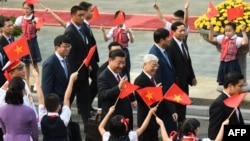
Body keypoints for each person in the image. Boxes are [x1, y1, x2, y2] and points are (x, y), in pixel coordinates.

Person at [64, 5, 91, 128]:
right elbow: (70, 56)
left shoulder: (83, 28)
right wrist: (74, 73)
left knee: (85, 100)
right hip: (75, 73)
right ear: (72, 15)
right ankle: (66, 122)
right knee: (69, 99)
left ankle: (87, 126)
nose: (82, 18)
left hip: (84, 71)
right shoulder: (70, 32)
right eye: (79, 15)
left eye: (83, 15)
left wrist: (87, 65)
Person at [33, 68, 78, 141]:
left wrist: (36, 78)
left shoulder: (42, 119)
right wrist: (71, 80)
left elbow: (40, 98)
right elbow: (66, 98)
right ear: (59, 106)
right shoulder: (63, 119)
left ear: (45, 106)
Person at [97, 49, 136, 130]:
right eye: (119, 63)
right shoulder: (103, 77)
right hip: (114, 119)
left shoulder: (120, 72)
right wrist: (118, 88)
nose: (121, 66)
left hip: (125, 115)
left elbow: (126, 86)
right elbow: (103, 95)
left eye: (123, 63)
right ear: (110, 60)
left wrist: (132, 99)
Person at [167, 21, 197, 125]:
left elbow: (188, 61)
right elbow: (170, 67)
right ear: (173, 32)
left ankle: (182, 124)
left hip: (185, 81)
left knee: (183, 104)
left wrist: (192, 76)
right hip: (176, 83)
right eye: (180, 31)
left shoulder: (183, 43)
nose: (183, 33)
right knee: (177, 106)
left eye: (184, 30)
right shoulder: (170, 46)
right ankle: (177, 127)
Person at [148, 28, 177, 133]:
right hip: (165, 99)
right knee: (170, 129)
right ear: (161, 40)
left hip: (170, 95)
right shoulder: (154, 56)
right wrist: (170, 107)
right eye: (167, 37)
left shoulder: (165, 50)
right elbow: (158, 82)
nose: (170, 39)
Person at [0, 60, 39, 126]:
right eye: (20, 69)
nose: (24, 71)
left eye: (23, 68)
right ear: (11, 73)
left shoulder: (24, 82)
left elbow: (30, 103)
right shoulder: (6, 90)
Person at [208, 72, 245, 140]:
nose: (242, 89)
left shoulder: (234, 99)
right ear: (230, 86)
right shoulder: (218, 105)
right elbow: (213, 134)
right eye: (240, 86)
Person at [0, 76, 38, 141]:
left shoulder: (2, 110)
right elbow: (35, 133)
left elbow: (4, 130)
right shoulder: (29, 111)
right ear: (23, 91)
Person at [100, 10, 134, 82]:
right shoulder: (113, 29)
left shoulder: (126, 29)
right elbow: (106, 39)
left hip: (124, 51)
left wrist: (130, 33)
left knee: (125, 69)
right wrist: (103, 31)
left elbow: (132, 41)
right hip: (114, 52)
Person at [134, 54, 161, 141]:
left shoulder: (154, 78)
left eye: (157, 65)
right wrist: (155, 91)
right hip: (145, 119)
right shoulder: (139, 80)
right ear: (144, 65)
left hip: (154, 119)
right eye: (153, 65)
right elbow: (141, 98)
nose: (156, 68)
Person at [14, 1, 42, 85]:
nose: (25, 10)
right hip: (23, 42)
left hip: (32, 42)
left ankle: (37, 83)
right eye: (24, 8)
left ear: (32, 9)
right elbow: (14, 26)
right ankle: (27, 82)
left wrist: (35, 25)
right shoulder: (20, 19)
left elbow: (39, 28)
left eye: (28, 8)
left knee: (34, 63)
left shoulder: (35, 19)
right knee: (26, 64)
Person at [79, 1, 100, 113]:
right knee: (96, 79)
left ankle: (86, 104)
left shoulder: (86, 24)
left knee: (94, 81)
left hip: (91, 59)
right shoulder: (82, 26)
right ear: (85, 11)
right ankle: (84, 105)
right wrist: (89, 63)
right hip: (88, 60)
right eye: (91, 11)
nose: (93, 13)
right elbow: (85, 46)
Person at [42, 35, 71, 104]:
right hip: (55, 104)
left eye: (69, 46)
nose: (68, 49)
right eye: (65, 46)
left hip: (65, 102)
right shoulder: (50, 63)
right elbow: (47, 88)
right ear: (57, 47)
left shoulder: (66, 60)